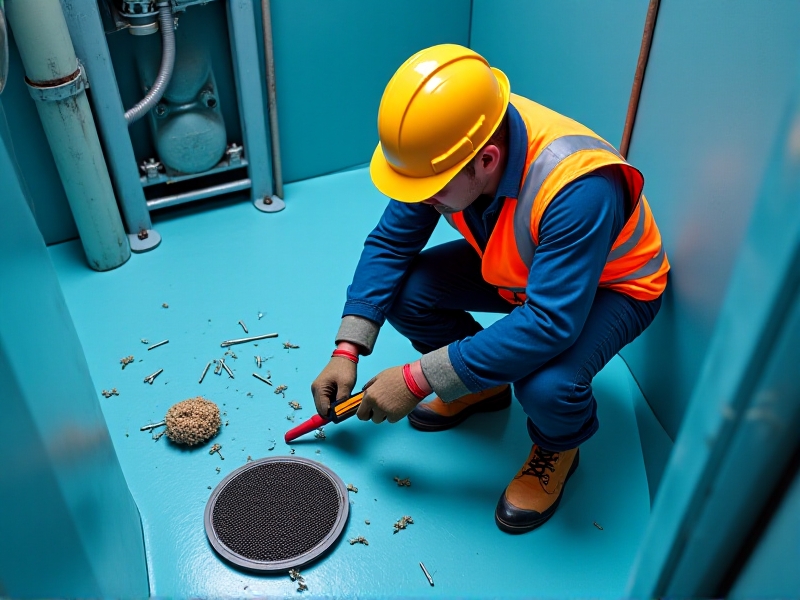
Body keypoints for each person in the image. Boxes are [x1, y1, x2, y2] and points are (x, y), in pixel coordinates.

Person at [311, 44, 669, 533]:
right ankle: (484, 386)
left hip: (614, 285)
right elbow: (391, 243)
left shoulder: (578, 186)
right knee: (407, 291)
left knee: (548, 386)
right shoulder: (450, 145)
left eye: (431, 190)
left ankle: (559, 447)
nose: (423, 200)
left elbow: (550, 323)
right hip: (524, 271)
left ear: (487, 160)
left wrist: (419, 378)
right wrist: (347, 350)